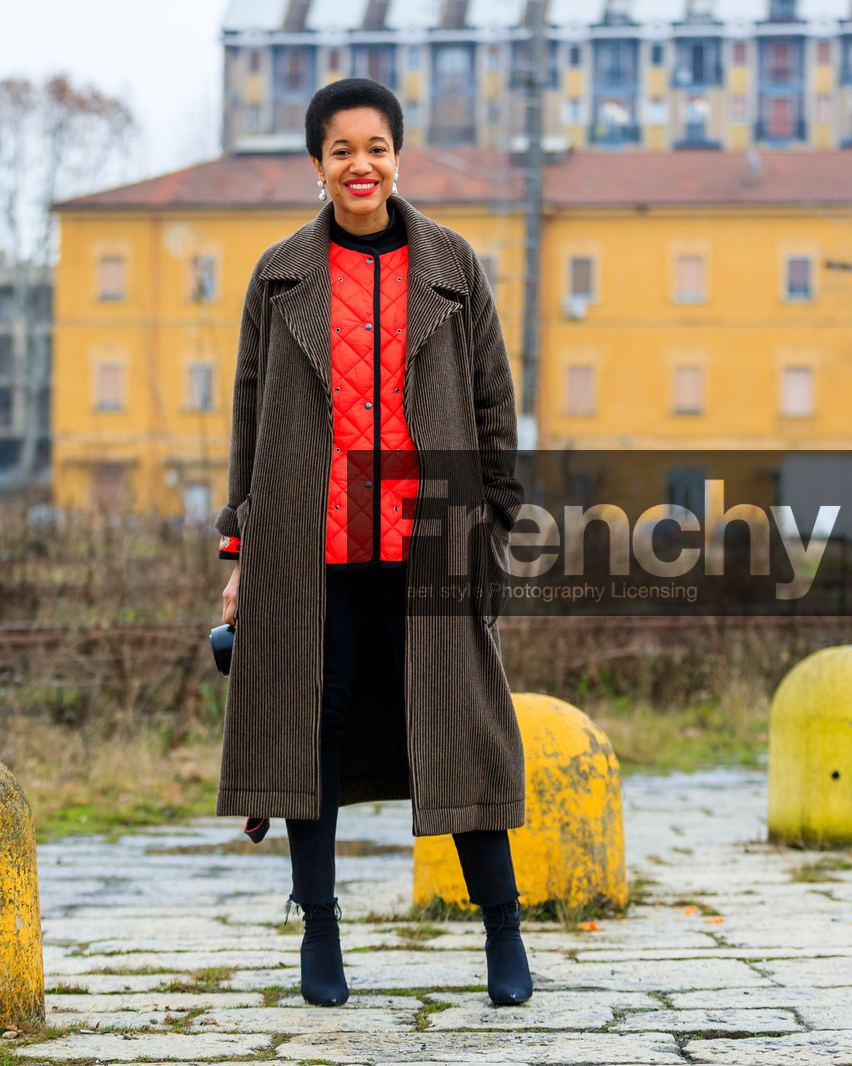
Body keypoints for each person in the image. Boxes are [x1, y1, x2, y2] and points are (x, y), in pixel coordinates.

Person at [213, 77, 531, 1009]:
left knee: (464, 731)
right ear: (317, 164)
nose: (362, 164)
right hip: (309, 557)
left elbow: (493, 407)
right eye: (342, 149)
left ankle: (502, 933)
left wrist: (496, 527)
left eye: (378, 147)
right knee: (307, 735)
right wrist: (238, 559)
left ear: (399, 155)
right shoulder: (278, 277)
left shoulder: (453, 267)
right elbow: (247, 424)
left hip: (430, 548)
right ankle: (320, 934)